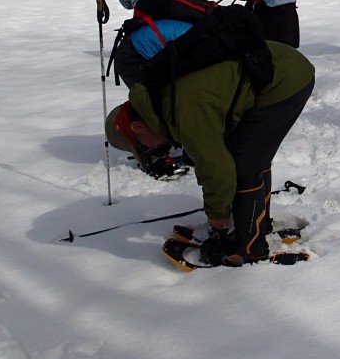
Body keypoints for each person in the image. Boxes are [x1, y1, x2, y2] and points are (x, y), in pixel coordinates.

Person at [105, 40, 315, 266]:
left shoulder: (181, 112)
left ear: (138, 127)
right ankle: (256, 225)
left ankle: (250, 248)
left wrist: (217, 220)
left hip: (283, 80)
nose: (153, 149)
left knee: (244, 165)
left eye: (144, 147)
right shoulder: (158, 97)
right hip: (277, 67)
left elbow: (217, 171)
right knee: (250, 155)